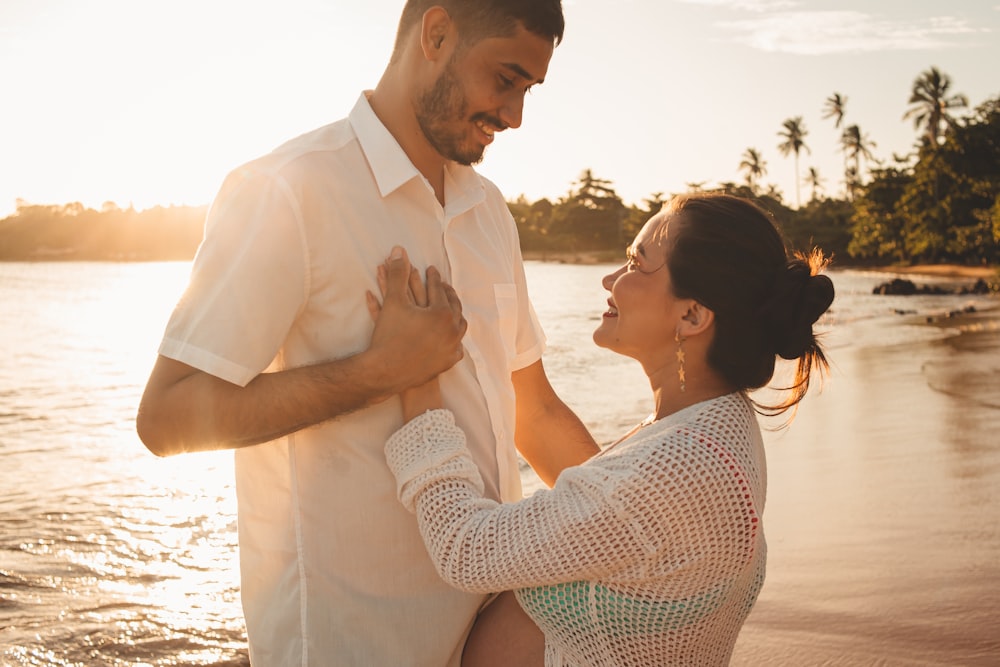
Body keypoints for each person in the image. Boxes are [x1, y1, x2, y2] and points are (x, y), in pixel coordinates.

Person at [135, 1, 598, 664]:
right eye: (505, 78)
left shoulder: (490, 211)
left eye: (528, 89)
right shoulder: (288, 191)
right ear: (436, 34)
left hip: (488, 637)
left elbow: (536, 410)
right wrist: (378, 373)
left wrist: (652, 522)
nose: (516, 115)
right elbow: (167, 416)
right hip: (348, 643)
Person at [376, 193, 836, 666]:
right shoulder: (717, 423)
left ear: (692, 315)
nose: (610, 279)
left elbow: (465, 550)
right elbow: (614, 522)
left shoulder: (680, 467)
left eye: (636, 262)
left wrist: (415, 377)